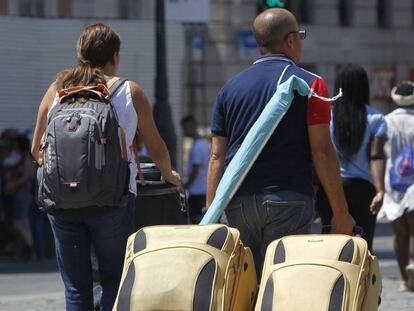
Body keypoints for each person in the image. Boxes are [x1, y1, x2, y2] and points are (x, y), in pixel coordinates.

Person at [31, 23, 180, 310]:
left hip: (61, 201)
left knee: (76, 288)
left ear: (80, 54)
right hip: (113, 200)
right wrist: (168, 174)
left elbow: (36, 148)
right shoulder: (129, 91)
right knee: (114, 279)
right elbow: (156, 145)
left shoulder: (57, 89)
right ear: (115, 56)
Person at [207, 8, 355, 274]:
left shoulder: (228, 89)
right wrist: (340, 212)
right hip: (289, 198)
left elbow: (217, 156)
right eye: (300, 35)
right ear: (290, 40)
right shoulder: (311, 84)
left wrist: (211, 212)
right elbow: (321, 151)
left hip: (237, 202)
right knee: (283, 284)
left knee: (246, 288)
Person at [316, 64, 387, 252]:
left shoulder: (327, 117)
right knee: (364, 246)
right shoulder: (376, 118)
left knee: (331, 246)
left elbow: (319, 151)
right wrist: (380, 190)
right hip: (364, 189)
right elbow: (376, 156)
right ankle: (361, 281)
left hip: (331, 187)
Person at [381, 81, 414, 291]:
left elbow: (377, 154)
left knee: (399, 232)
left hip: (392, 182)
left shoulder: (386, 121)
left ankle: (403, 278)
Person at [180, 115, 210, 223]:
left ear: (193, 126)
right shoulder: (204, 143)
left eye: (185, 127)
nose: (184, 131)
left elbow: (195, 169)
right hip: (203, 189)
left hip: (197, 191)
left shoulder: (198, 146)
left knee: (196, 220)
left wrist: (186, 185)